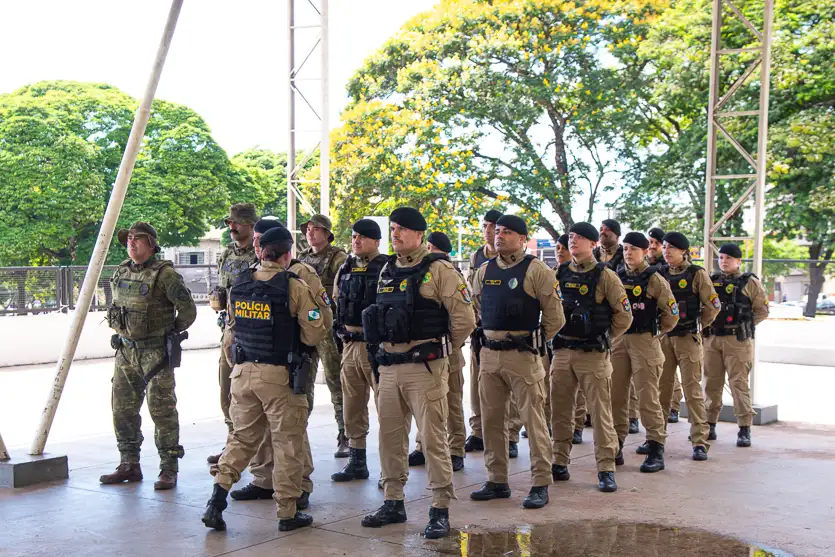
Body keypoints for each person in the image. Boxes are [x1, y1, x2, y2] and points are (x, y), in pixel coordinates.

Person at [202, 226, 326, 532]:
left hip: (242, 374)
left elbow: (230, 336)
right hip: (279, 376)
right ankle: (287, 512)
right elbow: (314, 332)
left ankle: (216, 500)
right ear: (286, 255)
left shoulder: (240, 285)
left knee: (241, 439)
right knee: (287, 443)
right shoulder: (292, 285)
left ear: (261, 251)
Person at [360, 207, 475, 539]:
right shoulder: (387, 270)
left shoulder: (440, 270)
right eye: (393, 229)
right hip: (390, 366)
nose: (395, 234)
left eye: (402, 229)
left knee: (433, 440)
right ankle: (393, 501)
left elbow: (465, 321)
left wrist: (439, 349)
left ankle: (440, 507)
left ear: (419, 234)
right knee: (390, 438)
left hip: (425, 367)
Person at [229, 219, 328, 507]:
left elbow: (322, 317)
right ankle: (263, 479)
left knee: (292, 428)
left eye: (261, 240)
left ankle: (301, 484)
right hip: (253, 360)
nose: (257, 245)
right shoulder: (251, 275)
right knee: (254, 426)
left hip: (291, 363)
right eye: (257, 240)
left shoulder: (301, 274)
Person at [469, 215, 565, 509]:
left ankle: (540, 482)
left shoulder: (537, 271)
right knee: (492, 420)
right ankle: (497, 479)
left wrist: (532, 341)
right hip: (490, 356)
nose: (499, 236)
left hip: (523, 357)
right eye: (497, 231)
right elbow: (475, 308)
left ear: (523, 239)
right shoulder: (484, 270)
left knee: (533, 421)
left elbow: (555, 319)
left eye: (507, 232)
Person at [99, 222, 196, 490]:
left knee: (162, 412)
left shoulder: (164, 275)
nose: (131, 243)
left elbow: (188, 312)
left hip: (155, 355)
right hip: (125, 351)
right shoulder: (121, 271)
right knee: (123, 410)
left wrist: (168, 335)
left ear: (152, 244)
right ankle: (129, 463)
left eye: (138, 239)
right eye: (129, 239)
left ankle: (168, 468)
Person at [550, 222, 632, 493]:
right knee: (560, 411)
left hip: (594, 354)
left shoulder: (605, 276)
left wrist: (605, 337)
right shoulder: (559, 272)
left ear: (593, 244)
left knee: (600, 413)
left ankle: (606, 468)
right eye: (571, 237)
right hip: (563, 352)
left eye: (580, 238)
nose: (574, 242)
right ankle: (559, 461)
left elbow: (624, 316)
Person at [611, 232, 679, 473]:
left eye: (634, 249)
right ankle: (615, 444)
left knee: (647, 396)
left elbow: (671, 315)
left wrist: (656, 334)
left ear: (644, 251)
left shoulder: (655, 279)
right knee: (616, 396)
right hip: (619, 342)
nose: (628, 253)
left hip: (645, 341)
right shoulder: (616, 277)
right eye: (626, 248)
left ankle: (655, 447)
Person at [331, 219, 388, 482]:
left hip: (377, 347)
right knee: (352, 408)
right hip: (350, 345)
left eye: (363, 237)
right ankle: (357, 461)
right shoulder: (345, 268)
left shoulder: (387, 267)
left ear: (376, 241)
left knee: (387, 409)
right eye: (354, 236)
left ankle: (390, 469)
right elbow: (335, 301)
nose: (356, 241)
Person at [655, 232, 719, 461]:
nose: (666, 251)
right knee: (661, 391)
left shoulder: (696, 274)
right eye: (664, 247)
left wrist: (699, 324)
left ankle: (699, 441)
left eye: (671, 247)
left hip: (688, 338)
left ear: (683, 250)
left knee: (692, 391)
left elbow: (712, 306)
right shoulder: (659, 273)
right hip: (664, 338)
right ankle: (656, 440)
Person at [465, 210, 523, 455]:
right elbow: (470, 291)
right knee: (479, 385)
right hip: (482, 331)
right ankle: (479, 431)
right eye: (486, 225)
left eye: (494, 226)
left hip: (510, 334)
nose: (489, 230)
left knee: (509, 388)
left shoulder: (518, 260)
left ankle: (510, 435)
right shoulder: (477, 257)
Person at [409, 231, 468, 471]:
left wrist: (449, 346)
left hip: (449, 349)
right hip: (426, 351)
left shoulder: (450, 274)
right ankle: (423, 446)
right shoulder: (421, 272)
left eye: (431, 246)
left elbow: (464, 319)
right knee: (425, 405)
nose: (427, 250)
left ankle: (456, 449)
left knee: (452, 402)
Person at [207, 204, 258, 465]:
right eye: (230, 223)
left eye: (237, 222)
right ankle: (233, 443)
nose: (232, 227)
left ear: (250, 224)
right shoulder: (226, 254)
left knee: (250, 394)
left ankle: (255, 451)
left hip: (253, 333)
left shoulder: (260, 254)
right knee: (226, 389)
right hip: (228, 331)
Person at [704, 243, 769, 447]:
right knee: (711, 384)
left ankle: (744, 428)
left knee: (738, 384)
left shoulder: (749, 282)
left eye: (728, 258)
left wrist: (745, 326)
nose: (723, 261)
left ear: (739, 261)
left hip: (737, 340)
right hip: (712, 338)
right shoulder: (711, 280)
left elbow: (762, 310)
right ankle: (710, 425)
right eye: (721, 257)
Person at [298, 214, 350, 457]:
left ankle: (345, 434)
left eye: (315, 229)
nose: (310, 232)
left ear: (327, 233)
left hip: (329, 328)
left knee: (336, 382)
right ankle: (297, 432)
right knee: (302, 382)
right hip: (305, 326)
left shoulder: (338, 258)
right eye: (308, 229)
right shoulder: (302, 258)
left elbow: (344, 293)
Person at [648, 227, 683, 423]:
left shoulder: (670, 268)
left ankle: (674, 406)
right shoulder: (652, 268)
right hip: (660, 328)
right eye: (650, 243)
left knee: (671, 374)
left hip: (678, 327)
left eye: (656, 243)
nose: (652, 247)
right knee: (662, 371)